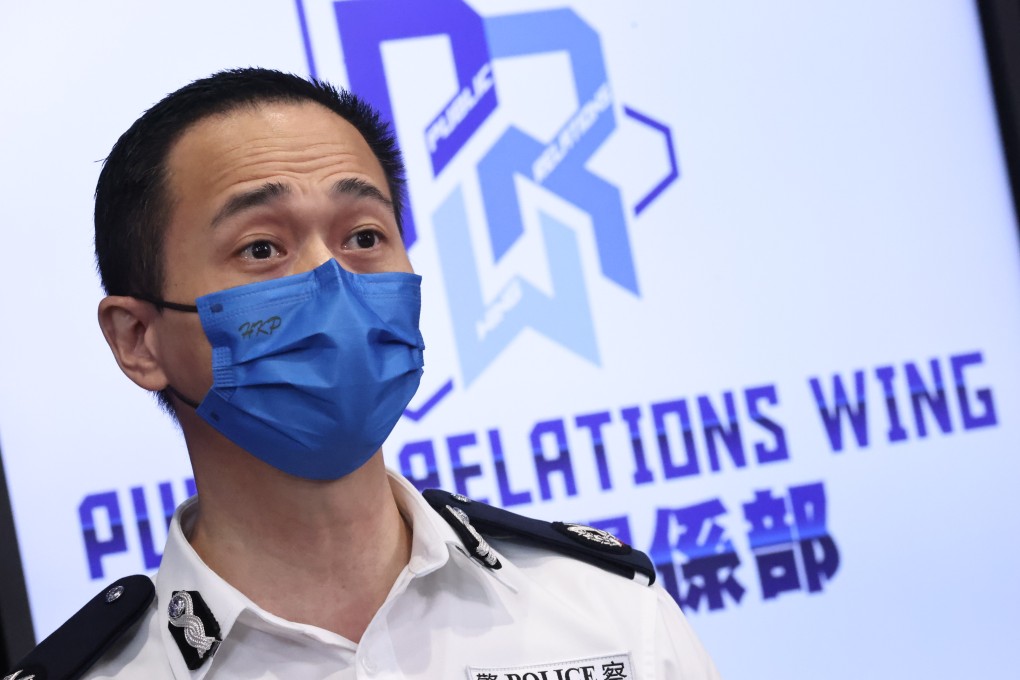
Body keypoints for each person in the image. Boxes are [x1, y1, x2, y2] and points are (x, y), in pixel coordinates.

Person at [4, 68, 721, 680]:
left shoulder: (605, 612)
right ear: (139, 339)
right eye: (261, 248)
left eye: (364, 237)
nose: (332, 281)